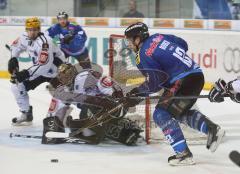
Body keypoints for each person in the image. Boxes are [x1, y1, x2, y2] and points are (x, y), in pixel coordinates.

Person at [123, 22, 225, 166]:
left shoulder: (142, 55)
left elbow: (154, 83)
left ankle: (183, 154)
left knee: (160, 114)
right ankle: (211, 129)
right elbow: (183, 44)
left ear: (138, 38)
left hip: (181, 82)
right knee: (177, 112)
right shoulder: (159, 37)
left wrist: (137, 93)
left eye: (130, 40)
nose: (129, 44)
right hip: (196, 76)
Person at [41, 63, 142, 146]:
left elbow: (107, 82)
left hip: (114, 106)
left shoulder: (84, 77)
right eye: (62, 78)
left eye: (66, 76)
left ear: (72, 74)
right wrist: (51, 124)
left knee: (86, 119)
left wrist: (116, 96)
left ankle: (119, 127)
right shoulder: (66, 89)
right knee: (80, 128)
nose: (64, 80)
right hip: (98, 113)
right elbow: (58, 106)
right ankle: (126, 130)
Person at [8, 17, 65, 126]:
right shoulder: (23, 37)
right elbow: (15, 46)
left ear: (39, 29)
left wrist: (25, 73)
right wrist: (13, 58)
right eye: (29, 29)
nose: (32, 32)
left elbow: (44, 65)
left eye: (35, 29)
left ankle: (59, 118)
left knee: (63, 96)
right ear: (26, 29)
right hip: (39, 71)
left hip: (56, 71)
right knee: (17, 86)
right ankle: (26, 113)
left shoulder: (45, 42)